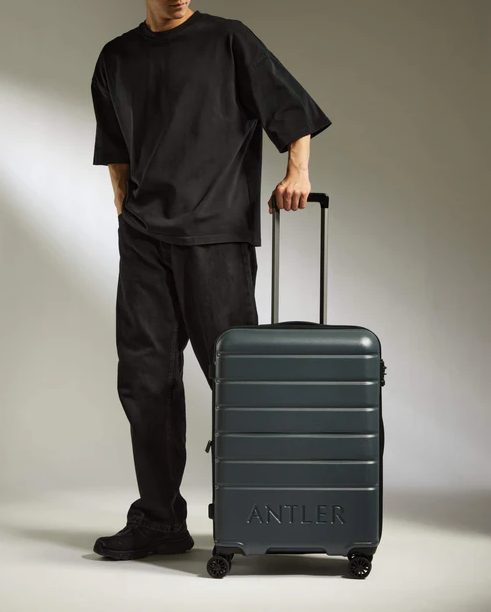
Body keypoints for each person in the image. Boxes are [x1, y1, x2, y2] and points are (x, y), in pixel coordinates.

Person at [90, 0, 332, 560]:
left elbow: (292, 111)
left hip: (217, 235)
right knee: (145, 381)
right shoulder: (116, 58)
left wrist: (298, 172)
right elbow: (116, 152)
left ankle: (265, 511)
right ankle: (158, 521)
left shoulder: (229, 40)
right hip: (145, 242)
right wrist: (128, 216)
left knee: (238, 383)